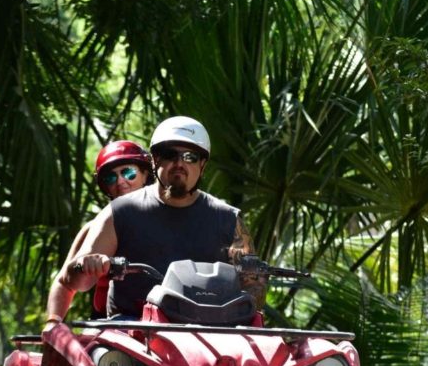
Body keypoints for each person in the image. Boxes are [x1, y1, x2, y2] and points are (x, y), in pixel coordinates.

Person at [45, 117, 264, 326]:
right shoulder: (118, 213)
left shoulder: (227, 219)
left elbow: (253, 288)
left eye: (190, 157)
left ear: (203, 165)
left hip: (211, 334)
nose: (179, 163)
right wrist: (87, 265)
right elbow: (73, 282)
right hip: (132, 336)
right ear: (154, 160)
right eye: (169, 154)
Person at [46, 140, 154, 319]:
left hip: (176, 323)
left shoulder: (176, 216)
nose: (120, 181)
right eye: (111, 177)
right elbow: (64, 283)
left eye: (128, 172)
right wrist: (53, 323)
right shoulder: (96, 226)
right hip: (116, 328)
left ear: (145, 174)